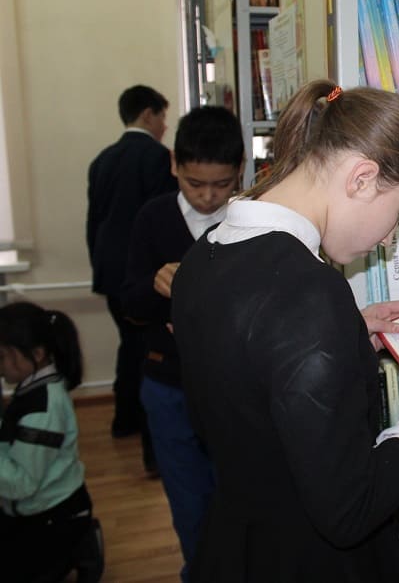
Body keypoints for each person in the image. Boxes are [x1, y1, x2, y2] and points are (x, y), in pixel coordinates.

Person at [171, 81, 399, 582]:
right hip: (311, 562)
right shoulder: (310, 293)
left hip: (236, 544)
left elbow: (241, 395)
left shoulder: (203, 255)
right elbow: (352, 507)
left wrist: (345, 340)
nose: (389, 239)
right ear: (362, 179)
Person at [121, 105, 244, 582]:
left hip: (232, 389)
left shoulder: (250, 220)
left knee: (236, 496)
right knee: (188, 500)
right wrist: (155, 284)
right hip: (168, 384)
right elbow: (130, 303)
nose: (209, 196)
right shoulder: (152, 217)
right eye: (195, 184)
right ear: (174, 164)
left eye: (222, 184)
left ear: (240, 171)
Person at [87, 85, 177, 463]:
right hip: (145, 275)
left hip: (109, 271)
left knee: (130, 346)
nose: (165, 125)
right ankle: (148, 438)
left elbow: (94, 222)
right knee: (148, 352)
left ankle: (124, 419)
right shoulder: (156, 157)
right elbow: (160, 225)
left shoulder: (102, 159)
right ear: (147, 114)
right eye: (162, 117)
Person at [0, 302, 104, 583]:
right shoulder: (32, 389)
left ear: (37, 354)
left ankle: (81, 545)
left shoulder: (43, 409)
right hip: (28, 508)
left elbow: (21, 484)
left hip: (53, 516)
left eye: (3, 356)